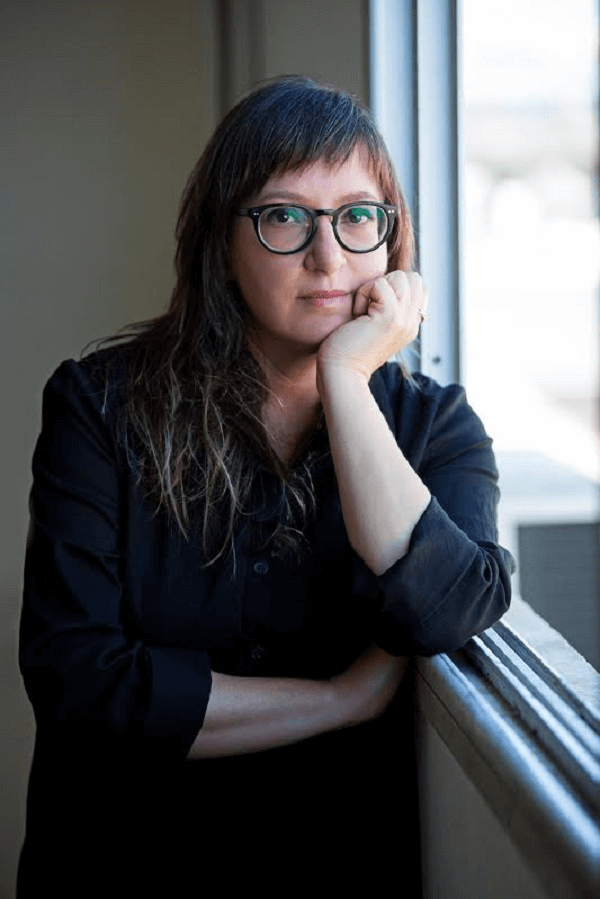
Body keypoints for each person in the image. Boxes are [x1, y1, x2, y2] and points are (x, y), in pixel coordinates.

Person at [18, 76, 514, 896]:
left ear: (391, 236)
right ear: (223, 242)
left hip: (332, 864)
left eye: (358, 216)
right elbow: (80, 684)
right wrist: (340, 701)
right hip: (119, 860)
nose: (329, 256)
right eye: (285, 216)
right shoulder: (98, 407)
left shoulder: (437, 428)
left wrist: (345, 379)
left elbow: (447, 608)